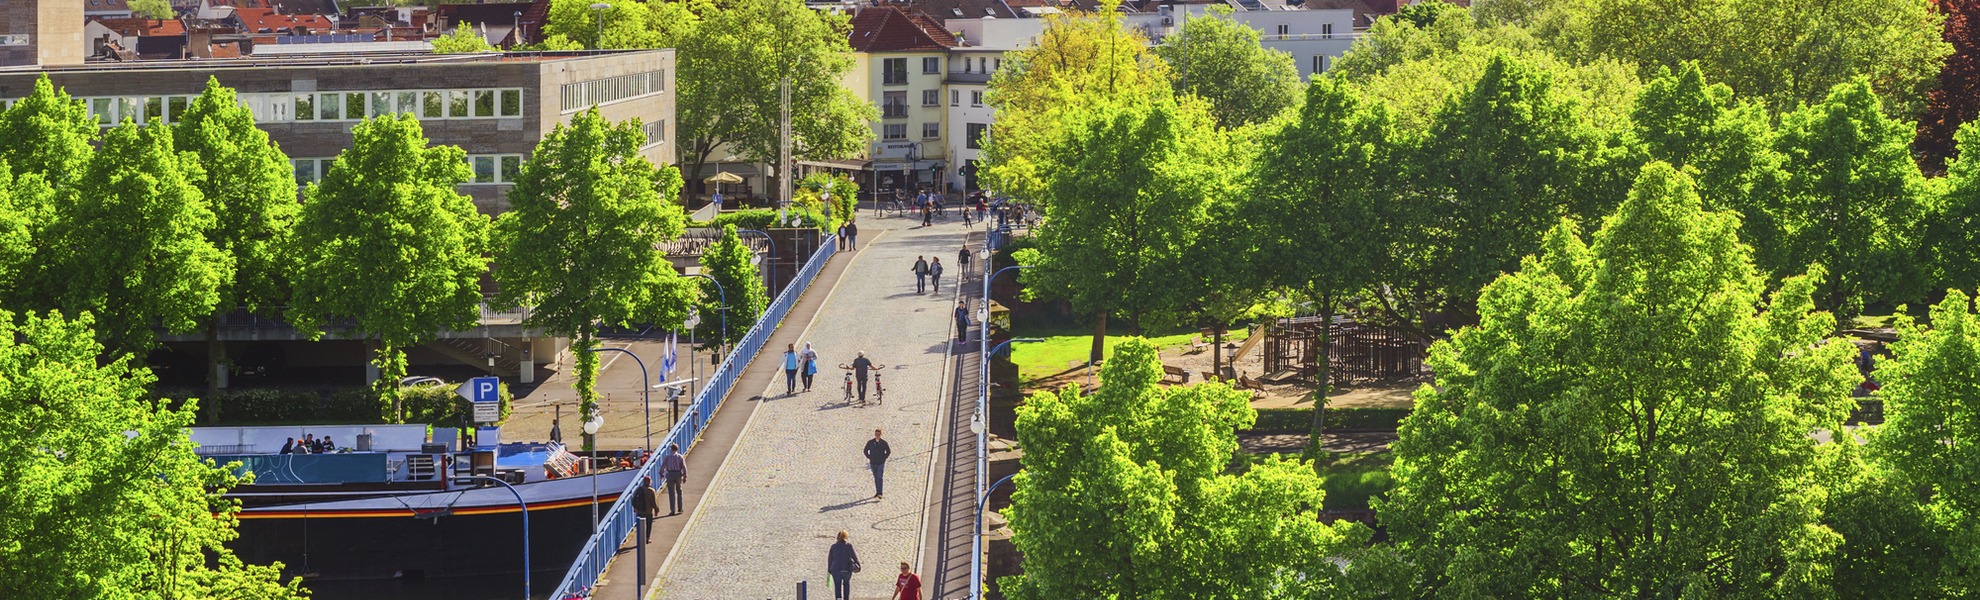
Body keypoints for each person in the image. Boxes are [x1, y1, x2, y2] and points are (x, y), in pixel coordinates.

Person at [827, 531, 860, 600]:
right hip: (846, 569)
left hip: (835, 569)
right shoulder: (848, 546)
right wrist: (858, 565)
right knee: (846, 585)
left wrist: (829, 569)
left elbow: (830, 559)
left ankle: (838, 598)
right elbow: (854, 557)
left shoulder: (833, 547)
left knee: (837, 587)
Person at [864, 429, 892, 498]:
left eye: (878, 434)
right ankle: (877, 492)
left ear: (881, 435)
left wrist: (883, 458)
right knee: (876, 477)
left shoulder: (884, 443)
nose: (877, 436)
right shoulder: (870, 442)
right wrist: (870, 457)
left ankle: (880, 493)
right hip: (873, 463)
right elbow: (865, 450)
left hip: (880, 463)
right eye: (876, 434)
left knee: (879, 477)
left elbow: (888, 451)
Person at [661, 444, 687, 515]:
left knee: (671, 492)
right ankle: (680, 508)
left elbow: (663, 466)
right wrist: (685, 476)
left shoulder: (667, 457)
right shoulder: (680, 457)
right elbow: (684, 467)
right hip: (678, 473)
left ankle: (672, 510)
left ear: (671, 449)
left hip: (670, 474)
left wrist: (661, 474)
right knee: (679, 491)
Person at [633, 476, 660, 541]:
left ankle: (640, 539)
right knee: (648, 525)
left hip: (640, 510)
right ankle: (647, 538)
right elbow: (654, 502)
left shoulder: (639, 489)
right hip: (649, 511)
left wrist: (635, 507)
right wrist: (656, 510)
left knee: (640, 525)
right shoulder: (651, 491)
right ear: (650, 482)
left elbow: (633, 499)